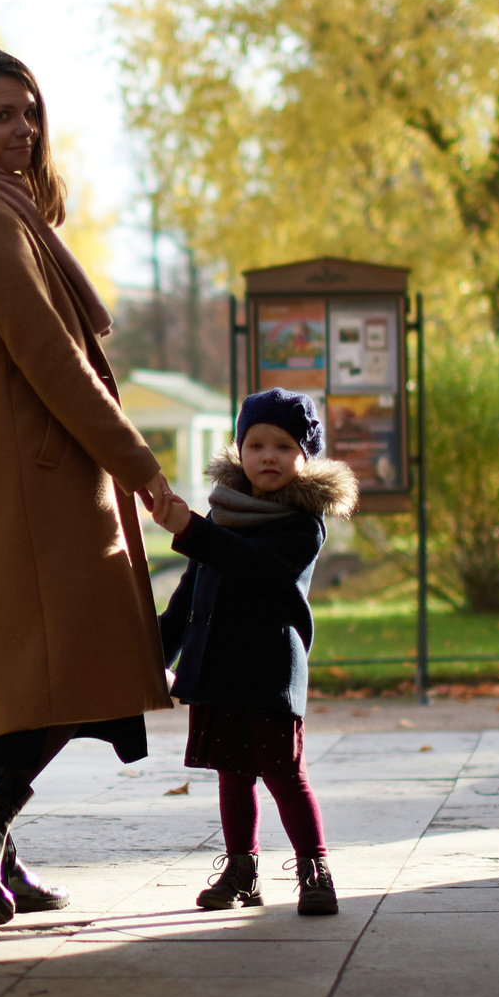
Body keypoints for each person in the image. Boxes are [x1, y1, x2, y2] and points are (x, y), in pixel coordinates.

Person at [0, 47, 175, 923]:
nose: (24, 131)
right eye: (2, 115)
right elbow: (57, 367)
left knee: (12, 681)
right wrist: (146, 472)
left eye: (31, 113)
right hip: (38, 491)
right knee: (87, 661)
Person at [146, 389, 358, 916]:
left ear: (304, 457)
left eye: (284, 446)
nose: (269, 456)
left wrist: (190, 530)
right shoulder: (220, 520)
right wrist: (151, 653)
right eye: (256, 443)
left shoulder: (302, 524)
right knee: (233, 775)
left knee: (284, 773)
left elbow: (254, 565)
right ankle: (242, 869)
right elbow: (187, 602)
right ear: (239, 450)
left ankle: (315, 868)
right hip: (218, 671)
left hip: (268, 673)